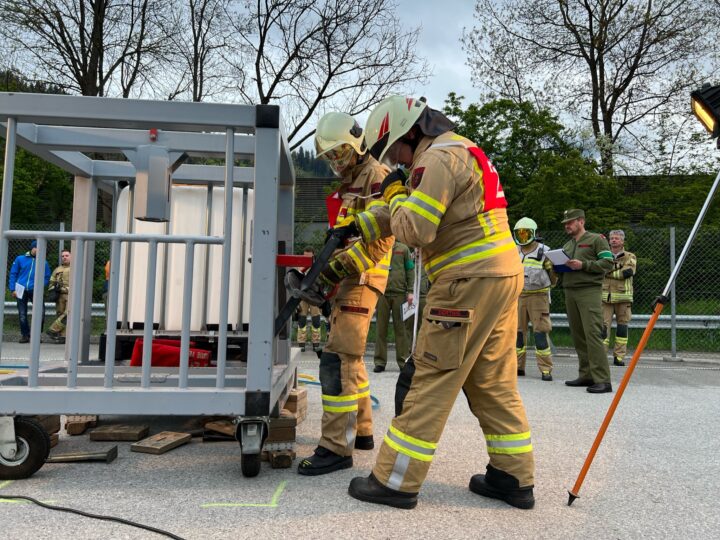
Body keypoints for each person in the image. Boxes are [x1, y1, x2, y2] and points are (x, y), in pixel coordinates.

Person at [347, 95, 535, 510]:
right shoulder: (463, 150)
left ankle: (395, 481)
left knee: (431, 377)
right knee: (492, 382)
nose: (393, 160)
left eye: (394, 147)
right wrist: (358, 222)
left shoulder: (434, 161)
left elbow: (414, 227)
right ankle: (513, 476)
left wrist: (394, 193)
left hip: (465, 282)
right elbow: (418, 209)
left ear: (412, 132)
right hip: (501, 276)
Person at [296, 112, 394, 476]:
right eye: (329, 157)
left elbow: (382, 238)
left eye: (339, 154)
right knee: (353, 358)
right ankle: (364, 431)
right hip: (352, 278)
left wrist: (337, 268)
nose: (334, 163)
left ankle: (337, 447)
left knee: (337, 360)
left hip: (362, 278)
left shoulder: (376, 177)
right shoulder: (352, 181)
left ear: (357, 144)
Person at [559, 209, 614, 394]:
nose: (567, 225)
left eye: (570, 222)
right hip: (570, 290)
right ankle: (586, 375)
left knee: (593, 334)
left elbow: (608, 263)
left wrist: (584, 265)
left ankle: (603, 380)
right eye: (565, 223)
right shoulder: (567, 245)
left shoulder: (596, 239)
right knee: (578, 335)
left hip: (588, 290)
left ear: (581, 221)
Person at [513, 217, 557, 381]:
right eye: (520, 233)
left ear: (533, 233)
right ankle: (518, 367)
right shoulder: (514, 250)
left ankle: (546, 369)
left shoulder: (544, 251)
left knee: (540, 333)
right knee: (518, 334)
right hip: (518, 296)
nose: (522, 237)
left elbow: (553, 276)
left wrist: (546, 288)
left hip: (538, 297)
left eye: (526, 233)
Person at [373, 240, 414, 372]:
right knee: (380, 329)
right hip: (382, 294)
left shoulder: (403, 249)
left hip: (400, 294)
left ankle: (402, 362)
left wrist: (410, 290)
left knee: (401, 329)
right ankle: (380, 362)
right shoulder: (379, 247)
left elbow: (410, 269)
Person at [602, 229, 637, 366]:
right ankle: (601, 355)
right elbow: (599, 271)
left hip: (623, 298)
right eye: (612, 238)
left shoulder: (630, 256)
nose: (614, 240)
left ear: (622, 241)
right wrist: (618, 268)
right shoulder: (604, 256)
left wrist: (608, 271)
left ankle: (619, 356)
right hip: (605, 298)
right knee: (603, 328)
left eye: (617, 238)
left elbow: (627, 273)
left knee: (622, 327)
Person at [8, 240, 51, 343]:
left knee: (40, 312)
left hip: (35, 290)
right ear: (32, 248)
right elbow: (13, 273)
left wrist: (39, 286)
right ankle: (25, 335)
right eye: (38, 247)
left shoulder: (44, 262)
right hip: (20, 289)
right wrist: (12, 288)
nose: (40, 250)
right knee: (22, 314)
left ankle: (36, 335)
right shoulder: (20, 259)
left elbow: (46, 277)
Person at [295, 248, 324, 353]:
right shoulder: (299, 265)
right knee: (301, 320)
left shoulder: (317, 266)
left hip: (314, 296)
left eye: (309, 256)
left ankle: (316, 343)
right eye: (305, 256)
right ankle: (301, 343)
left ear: (313, 255)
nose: (306, 258)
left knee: (316, 321)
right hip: (303, 296)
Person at [404, 250, 430, 347]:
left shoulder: (428, 261)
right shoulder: (409, 261)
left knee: (422, 326)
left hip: (424, 297)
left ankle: (419, 351)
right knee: (408, 326)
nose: (418, 251)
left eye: (420, 249)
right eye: (416, 249)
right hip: (410, 298)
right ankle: (409, 352)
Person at [46, 249, 71, 343]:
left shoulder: (75, 268)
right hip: (59, 296)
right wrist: (53, 290)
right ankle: (63, 337)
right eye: (63, 256)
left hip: (70, 295)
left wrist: (65, 289)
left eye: (67, 255)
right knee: (60, 314)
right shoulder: (57, 269)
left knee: (67, 313)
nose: (64, 257)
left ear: (71, 256)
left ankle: (53, 329)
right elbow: (51, 281)